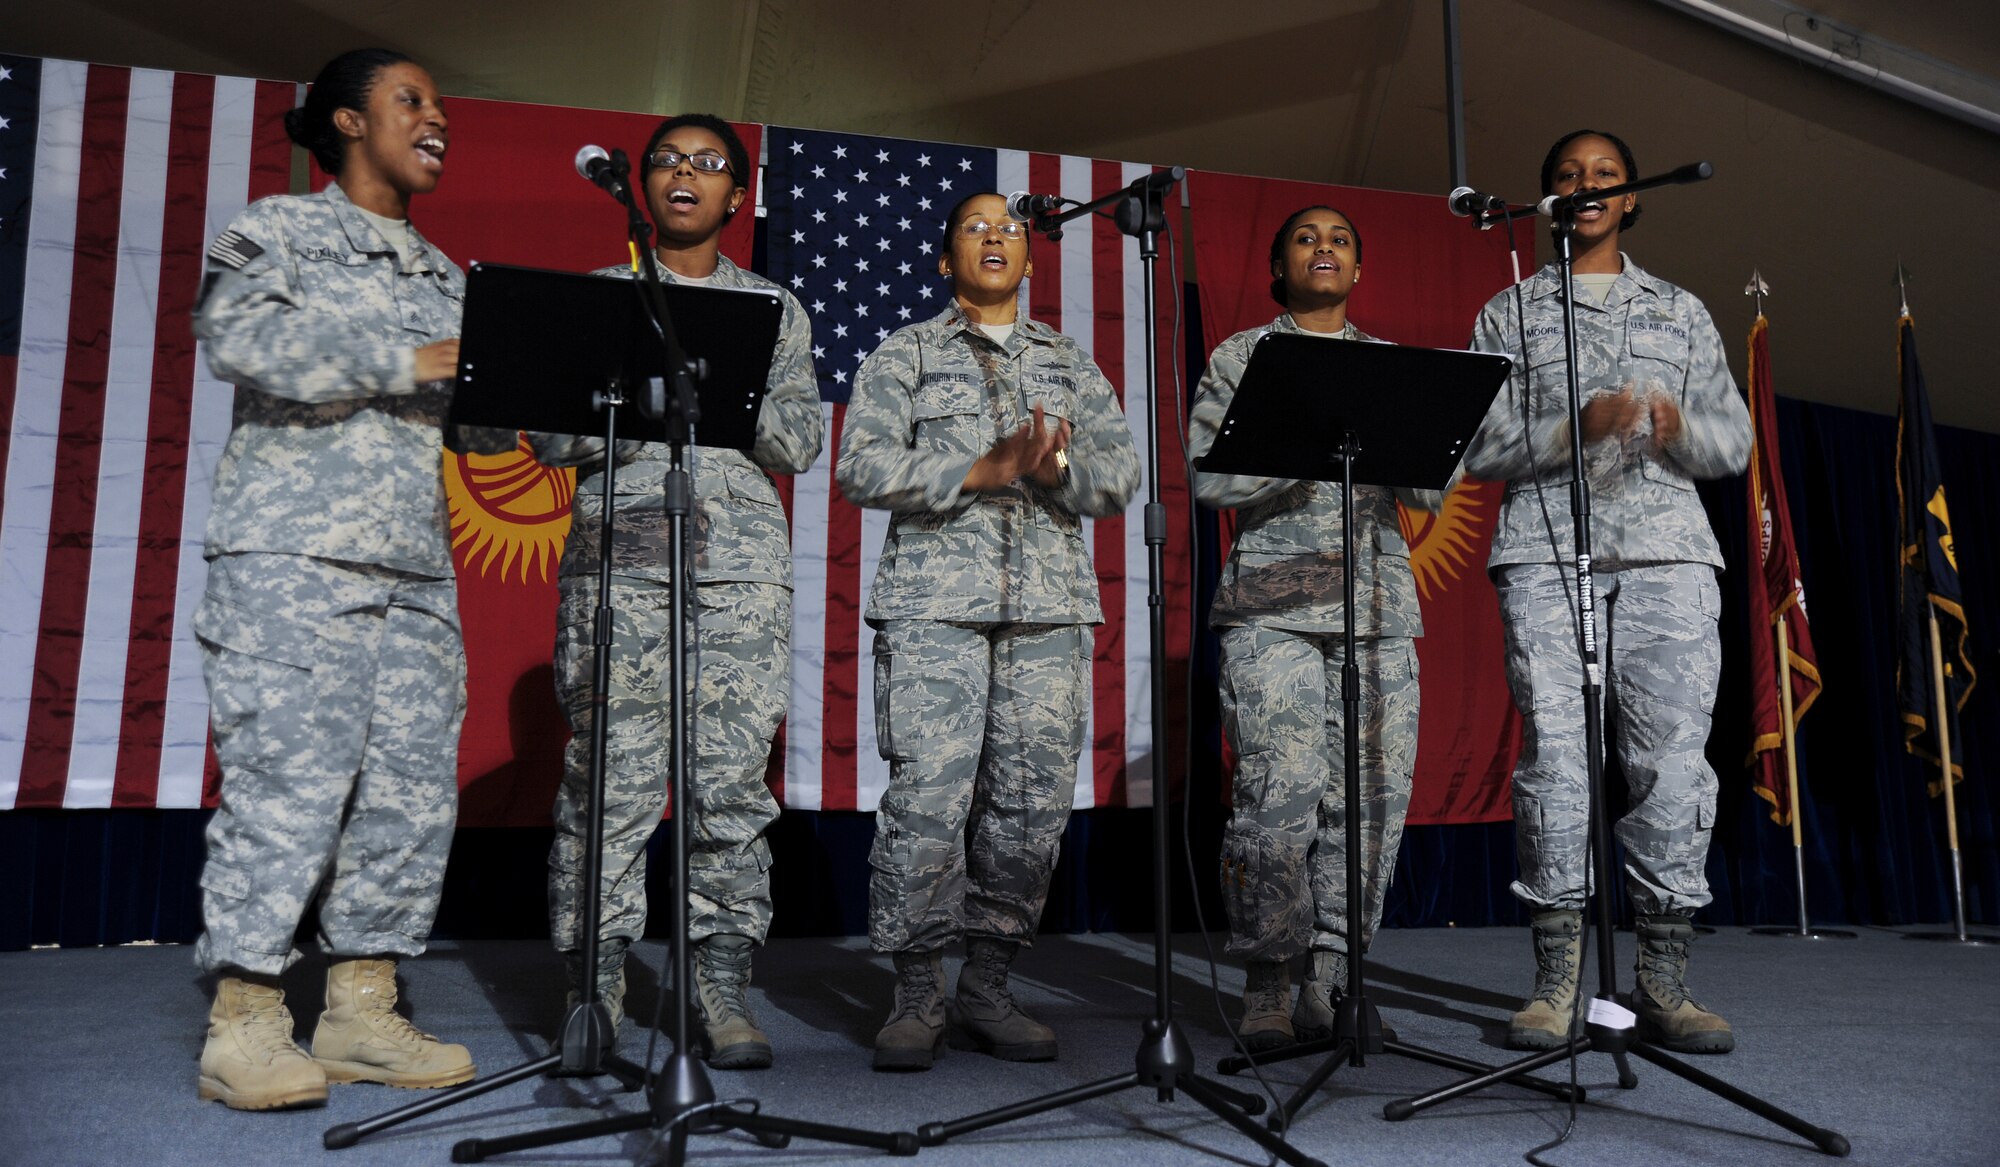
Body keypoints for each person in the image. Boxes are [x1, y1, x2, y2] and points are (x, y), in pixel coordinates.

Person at [190, 48, 511, 1110]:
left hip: (414, 567)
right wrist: (409, 358)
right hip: (291, 560)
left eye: (440, 106)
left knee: (409, 797)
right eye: (410, 101)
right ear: (344, 122)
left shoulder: (450, 278)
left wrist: (544, 386)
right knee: (287, 791)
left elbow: (486, 423)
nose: (436, 120)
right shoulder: (268, 229)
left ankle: (360, 1010)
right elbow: (232, 334)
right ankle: (245, 1018)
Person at [529, 114, 821, 1070]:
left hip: (737, 579)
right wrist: (625, 392)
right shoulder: (600, 298)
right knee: (608, 782)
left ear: (738, 196)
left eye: (708, 165)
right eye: (666, 161)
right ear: (642, 187)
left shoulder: (774, 306)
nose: (684, 175)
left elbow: (798, 443)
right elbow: (549, 436)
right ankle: (595, 988)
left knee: (729, 789)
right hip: (621, 565)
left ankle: (720, 991)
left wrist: (717, 386)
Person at [1461, 130, 1750, 1054]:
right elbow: (1474, 447)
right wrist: (1570, 427)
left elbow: (1733, 445)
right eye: (1566, 177)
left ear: (1631, 200)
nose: (1584, 187)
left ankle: (1662, 981)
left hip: (1667, 558)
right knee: (1558, 762)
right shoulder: (1507, 311)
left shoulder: (1681, 309)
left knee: (1670, 766)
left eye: (1603, 178)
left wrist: (1673, 425)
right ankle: (1555, 983)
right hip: (1550, 557)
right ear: (1547, 200)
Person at [837, 192, 1140, 1071]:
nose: (997, 234)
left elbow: (1117, 475)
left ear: (1032, 259)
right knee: (928, 800)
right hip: (935, 604)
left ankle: (990, 983)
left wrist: (1059, 468)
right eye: (975, 226)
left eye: (1010, 226)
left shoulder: (1066, 359)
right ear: (945, 260)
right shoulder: (910, 351)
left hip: (1047, 605)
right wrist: (985, 466)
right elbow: (861, 463)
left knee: (1028, 807)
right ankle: (918, 992)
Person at [1187, 206, 1439, 1052]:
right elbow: (1208, 478)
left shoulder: (1390, 366)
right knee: (1277, 797)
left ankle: (1334, 981)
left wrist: (1411, 429)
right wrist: (1304, 434)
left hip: (1375, 609)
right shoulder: (1243, 356)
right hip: (1271, 608)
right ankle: (1268, 983)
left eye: (1339, 240)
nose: (1323, 248)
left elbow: (1431, 491)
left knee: (1369, 805)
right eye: (1305, 237)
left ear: (1359, 271)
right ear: (1278, 265)